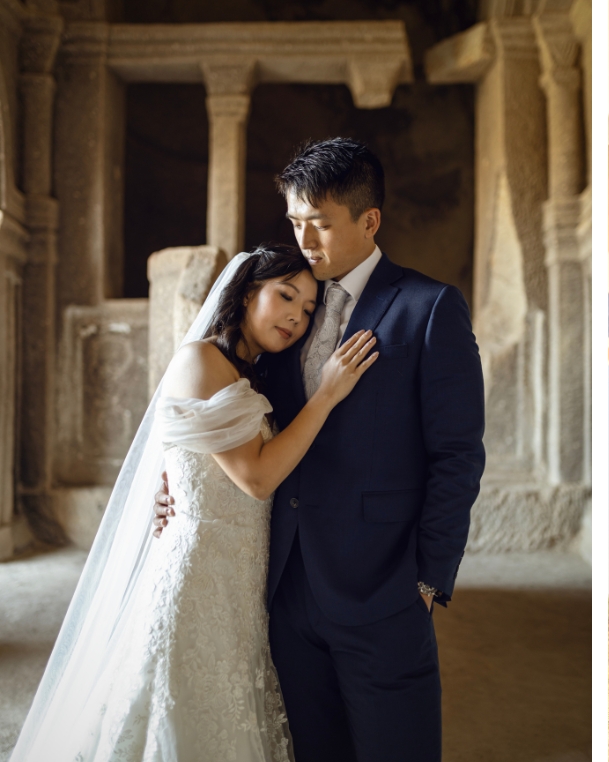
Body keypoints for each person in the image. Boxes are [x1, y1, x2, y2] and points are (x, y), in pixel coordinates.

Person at [157, 138, 485, 761]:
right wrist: (177, 473)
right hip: (281, 591)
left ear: (369, 221)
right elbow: (224, 406)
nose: (305, 240)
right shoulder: (284, 310)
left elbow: (458, 456)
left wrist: (427, 581)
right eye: (295, 222)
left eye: (321, 224)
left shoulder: (429, 308)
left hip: (384, 592)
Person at [11, 243, 379, 760]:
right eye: (286, 295)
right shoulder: (201, 359)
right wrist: (327, 393)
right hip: (197, 575)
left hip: (240, 582)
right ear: (250, 290)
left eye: (309, 310)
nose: (297, 316)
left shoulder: (254, 372)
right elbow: (256, 478)